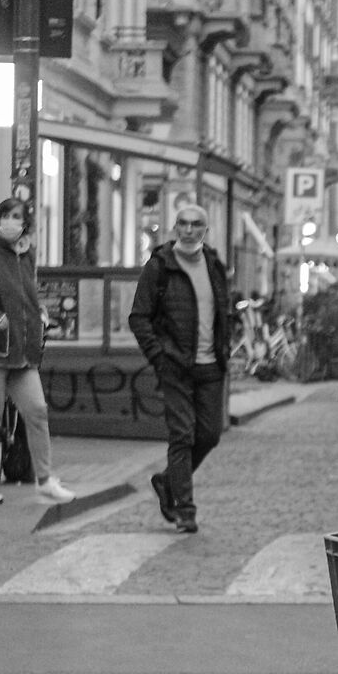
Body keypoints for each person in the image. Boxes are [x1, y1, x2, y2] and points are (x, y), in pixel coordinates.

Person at [0, 200, 73, 506]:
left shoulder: (26, 254)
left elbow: (24, 296)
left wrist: (38, 315)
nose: (11, 221)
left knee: (37, 411)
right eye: (6, 216)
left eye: (17, 217)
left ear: (26, 222)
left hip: (21, 351)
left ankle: (45, 479)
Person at [129, 199, 233, 534]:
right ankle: (185, 509)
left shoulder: (214, 265)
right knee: (183, 436)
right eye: (183, 224)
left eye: (196, 224)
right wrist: (159, 357)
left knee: (210, 435)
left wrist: (224, 349)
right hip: (175, 366)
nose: (188, 230)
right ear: (175, 228)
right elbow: (139, 317)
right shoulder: (160, 266)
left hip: (210, 366)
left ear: (205, 230)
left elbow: (224, 312)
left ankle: (166, 481)